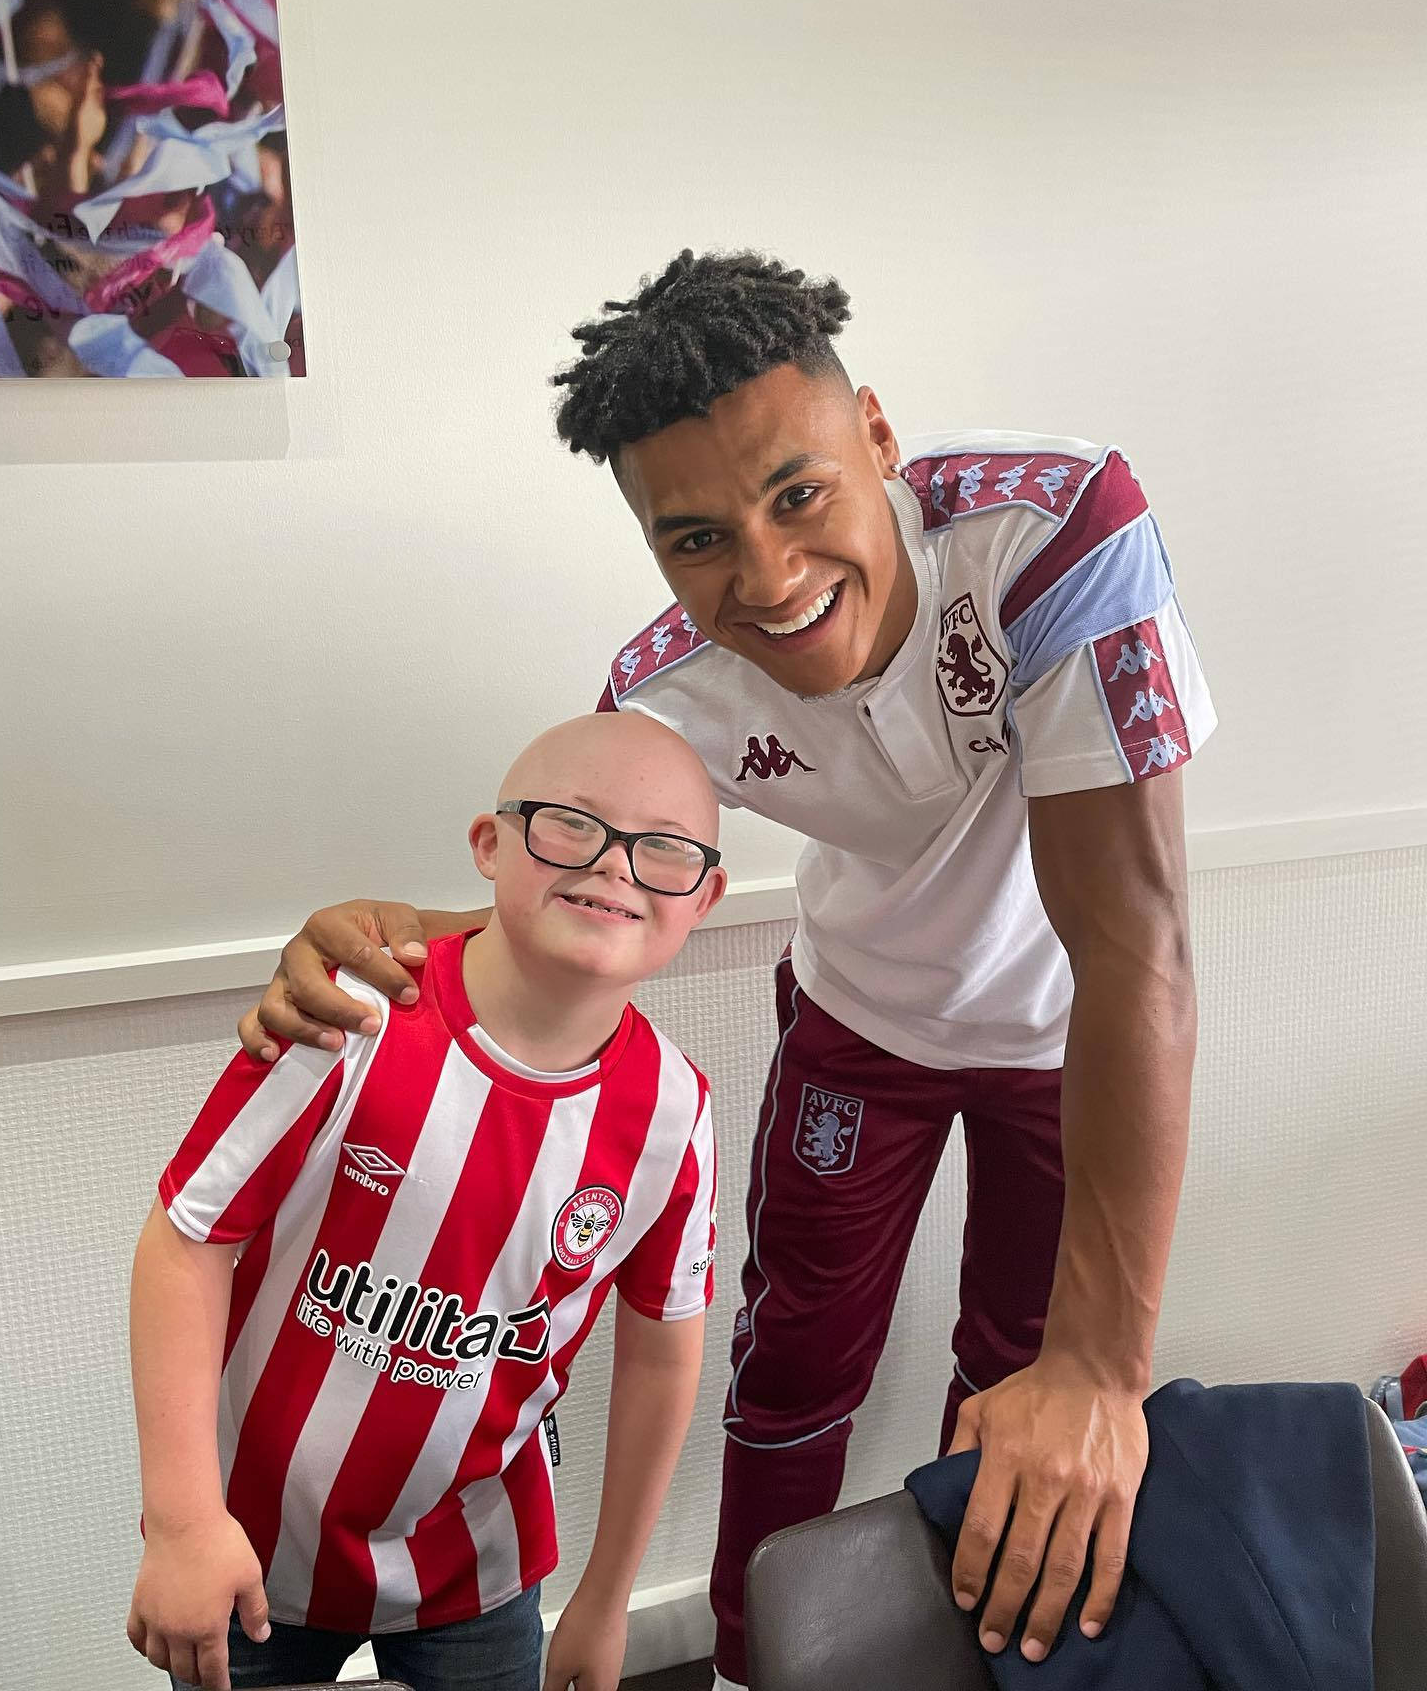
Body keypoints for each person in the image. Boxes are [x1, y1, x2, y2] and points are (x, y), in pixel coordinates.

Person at [235, 251, 1216, 1689]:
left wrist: (1105, 1373)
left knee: (1025, 1376)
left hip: (1067, 1033)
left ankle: (992, 1662)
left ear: (876, 434)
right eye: (696, 540)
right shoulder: (663, 688)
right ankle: (759, 1673)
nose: (765, 578)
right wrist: (373, 934)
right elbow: (557, 908)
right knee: (795, 1366)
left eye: (798, 495)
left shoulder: (1055, 531)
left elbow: (1136, 946)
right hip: (858, 1021)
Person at [127, 712, 726, 1691]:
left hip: (477, 1573)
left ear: (703, 897)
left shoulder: (674, 1112)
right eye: (572, 824)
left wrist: (608, 1594)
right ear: (489, 846)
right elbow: (188, 1236)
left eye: (662, 849)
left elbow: (663, 1349)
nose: (616, 866)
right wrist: (187, 1520)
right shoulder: (347, 1016)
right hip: (250, 1547)